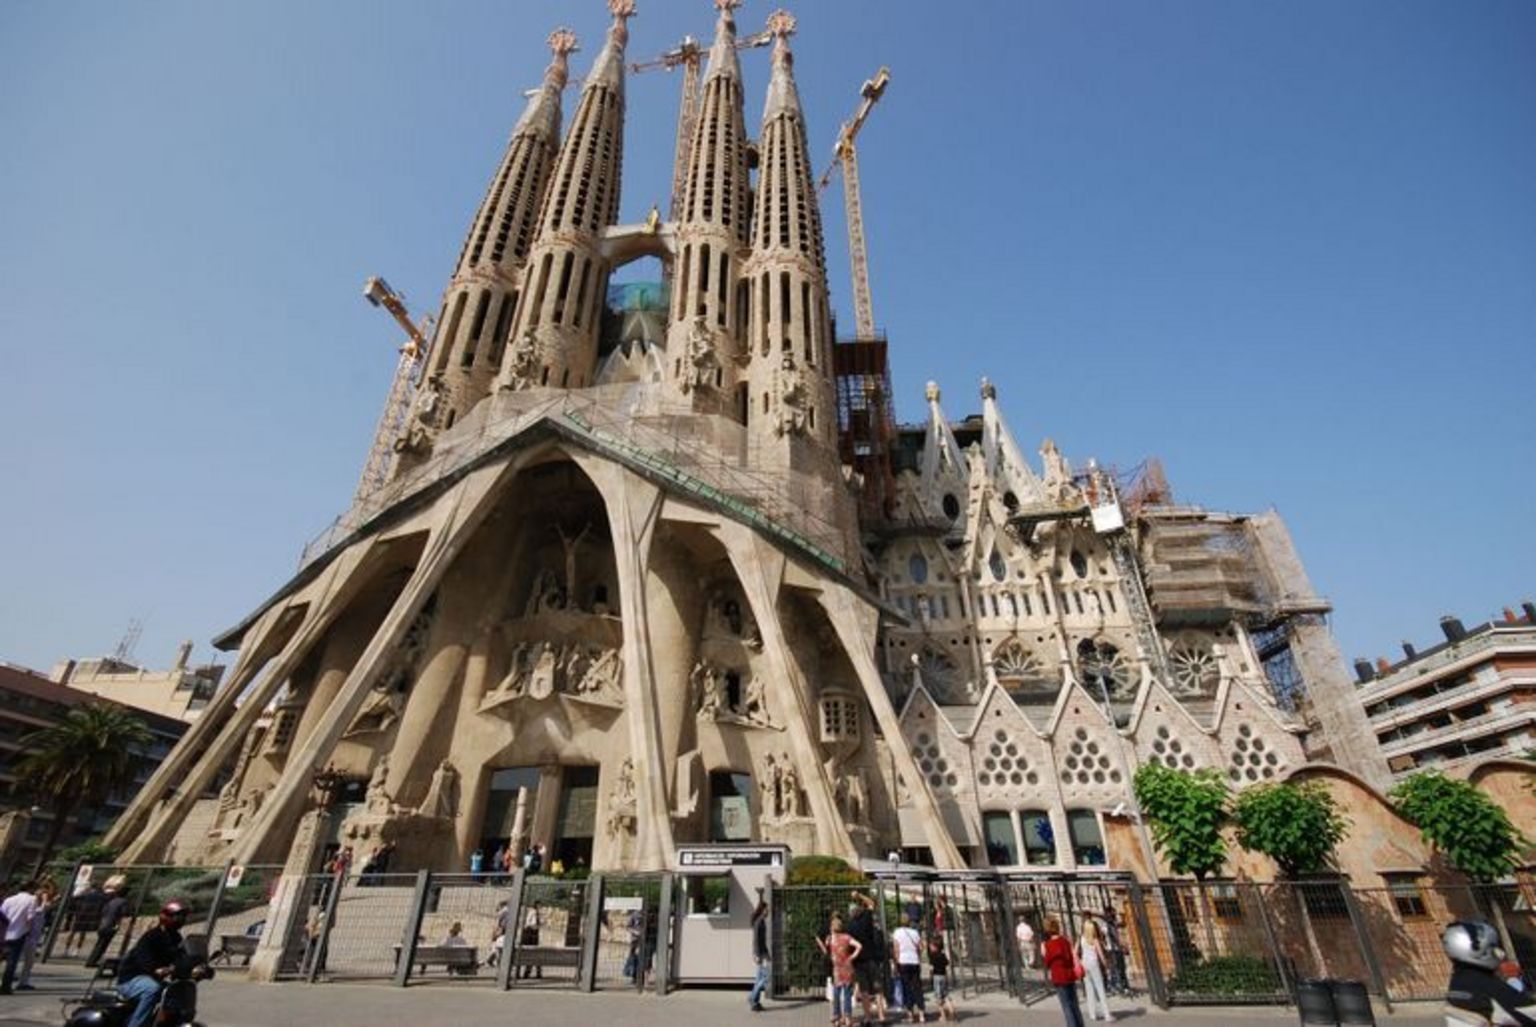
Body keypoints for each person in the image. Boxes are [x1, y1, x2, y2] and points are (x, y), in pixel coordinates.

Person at [1442, 921, 1536, 1027]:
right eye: (1492, 947)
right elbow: (1529, 1012)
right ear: (1477, 950)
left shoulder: (1458, 982)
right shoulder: (1486, 985)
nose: (1498, 952)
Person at [116, 900, 191, 1027]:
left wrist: (193, 965)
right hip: (132, 979)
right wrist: (156, 969)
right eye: (178, 916)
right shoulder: (151, 936)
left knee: (176, 990)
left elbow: (181, 957)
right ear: (166, 916)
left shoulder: (176, 937)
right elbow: (143, 960)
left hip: (153, 978)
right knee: (152, 989)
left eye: (183, 916)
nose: (181, 920)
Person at [816, 915, 862, 1027]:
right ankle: (848, 1018)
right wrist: (852, 956)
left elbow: (826, 949)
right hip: (847, 967)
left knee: (836, 994)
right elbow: (859, 946)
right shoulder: (847, 937)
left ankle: (836, 1017)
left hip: (837, 969)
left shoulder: (830, 938)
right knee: (847, 994)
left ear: (832, 927)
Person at [1041, 916, 1085, 1027]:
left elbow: (1047, 963)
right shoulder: (1065, 941)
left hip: (1059, 977)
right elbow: (1070, 957)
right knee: (1074, 1004)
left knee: (1066, 1007)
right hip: (1069, 975)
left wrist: (1043, 952)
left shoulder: (1048, 945)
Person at [0, 879, 41, 995]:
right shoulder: (32, 900)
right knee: (12, 961)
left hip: (4, 932)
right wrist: (30, 931)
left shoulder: (9, 899)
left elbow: (2, 914)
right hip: (19, 933)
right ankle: (5, 986)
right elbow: (30, 918)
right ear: (31, 888)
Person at [16, 879, 57, 990]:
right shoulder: (34, 906)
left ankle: (23, 981)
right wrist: (43, 899)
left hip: (31, 937)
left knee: (28, 962)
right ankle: (17, 980)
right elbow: (41, 908)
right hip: (26, 935)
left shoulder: (39, 907)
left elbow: (52, 898)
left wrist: (49, 883)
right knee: (17, 959)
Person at [892, 912, 927, 1022]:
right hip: (914, 961)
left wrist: (896, 963)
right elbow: (921, 947)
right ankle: (921, 1013)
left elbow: (896, 949)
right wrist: (918, 956)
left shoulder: (897, 932)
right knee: (917, 987)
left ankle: (910, 1014)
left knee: (906, 988)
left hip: (903, 961)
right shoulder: (915, 932)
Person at [85, 880, 128, 967]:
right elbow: (125, 913)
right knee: (103, 945)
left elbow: (104, 911)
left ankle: (91, 960)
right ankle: (92, 961)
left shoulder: (111, 901)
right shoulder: (123, 902)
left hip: (103, 923)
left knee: (99, 944)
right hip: (111, 925)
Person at [1078, 917, 1112, 1021]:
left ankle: (1092, 1014)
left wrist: (1080, 961)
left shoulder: (1082, 938)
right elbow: (1101, 955)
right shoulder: (1094, 940)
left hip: (1084, 964)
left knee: (1089, 990)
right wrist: (1106, 964)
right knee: (1100, 988)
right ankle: (1107, 1014)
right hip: (1093, 964)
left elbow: (1075, 951)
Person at [66, 881, 107, 957]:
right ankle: (77, 950)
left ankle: (67, 949)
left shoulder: (85, 895)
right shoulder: (98, 896)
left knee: (73, 932)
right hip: (88, 916)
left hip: (80, 914)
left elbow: (74, 899)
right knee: (82, 934)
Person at [748, 892, 770, 1012]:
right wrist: (757, 955)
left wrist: (767, 954)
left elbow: (762, 940)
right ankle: (752, 998)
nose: (768, 912)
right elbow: (757, 940)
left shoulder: (760, 921)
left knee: (759, 978)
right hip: (759, 954)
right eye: (767, 909)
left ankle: (755, 1002)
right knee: (765, 978)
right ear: (763, 910)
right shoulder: (759, 922)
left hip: (761, 953)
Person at [929, 935, 957, 1023]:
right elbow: (947, 963)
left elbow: (931, 968)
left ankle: (943, 1015)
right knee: (946, 994)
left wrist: (931, 977)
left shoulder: (933, 956)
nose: (930, 947)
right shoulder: (943, 955)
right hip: (944, 976)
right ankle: (951, 1010)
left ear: (935, 947)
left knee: (938, 997)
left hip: (936, 977)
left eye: (931, 946)